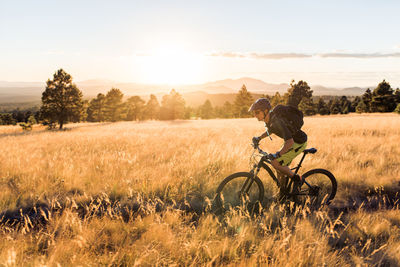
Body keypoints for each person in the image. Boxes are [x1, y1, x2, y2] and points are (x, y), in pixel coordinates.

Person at [249, 98, 307, 195]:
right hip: (290, 142)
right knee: (278, 167)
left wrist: (278, 155)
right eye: (254, 113)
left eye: (257, 112)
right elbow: (271, 130)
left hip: (298, 142)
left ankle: (298, 179)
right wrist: (259, 138)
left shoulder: (277, 121)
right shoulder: (270, 119)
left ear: (265, 111)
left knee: (275, 163)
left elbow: (290, 142)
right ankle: (283, 193)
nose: (255, 115)